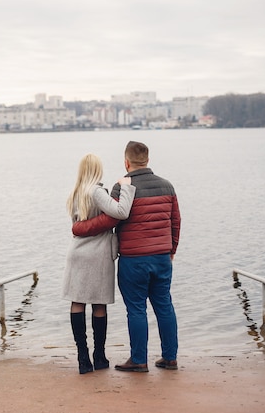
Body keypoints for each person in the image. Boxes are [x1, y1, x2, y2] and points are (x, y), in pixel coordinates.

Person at [72, 141, 181, 373]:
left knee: (136, 309)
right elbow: (176, 221)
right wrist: (171, 250)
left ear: (126, 162)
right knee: (164, 305)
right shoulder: (167, 186)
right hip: (162, 256)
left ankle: (139, 360)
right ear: (148, 160)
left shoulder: (120, 187)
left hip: (134, 259)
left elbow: (114, 219)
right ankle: (170, 357)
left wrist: (80, 228)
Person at [62, 153, 136, 374]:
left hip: (77, 253)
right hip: (98, 255)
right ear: (97, 170)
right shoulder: (97, 191)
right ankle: (99, 356)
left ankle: (83, 358)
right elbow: (121, 212)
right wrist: (127, 188)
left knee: (77, 302)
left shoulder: (75, 193)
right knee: (99, 304)